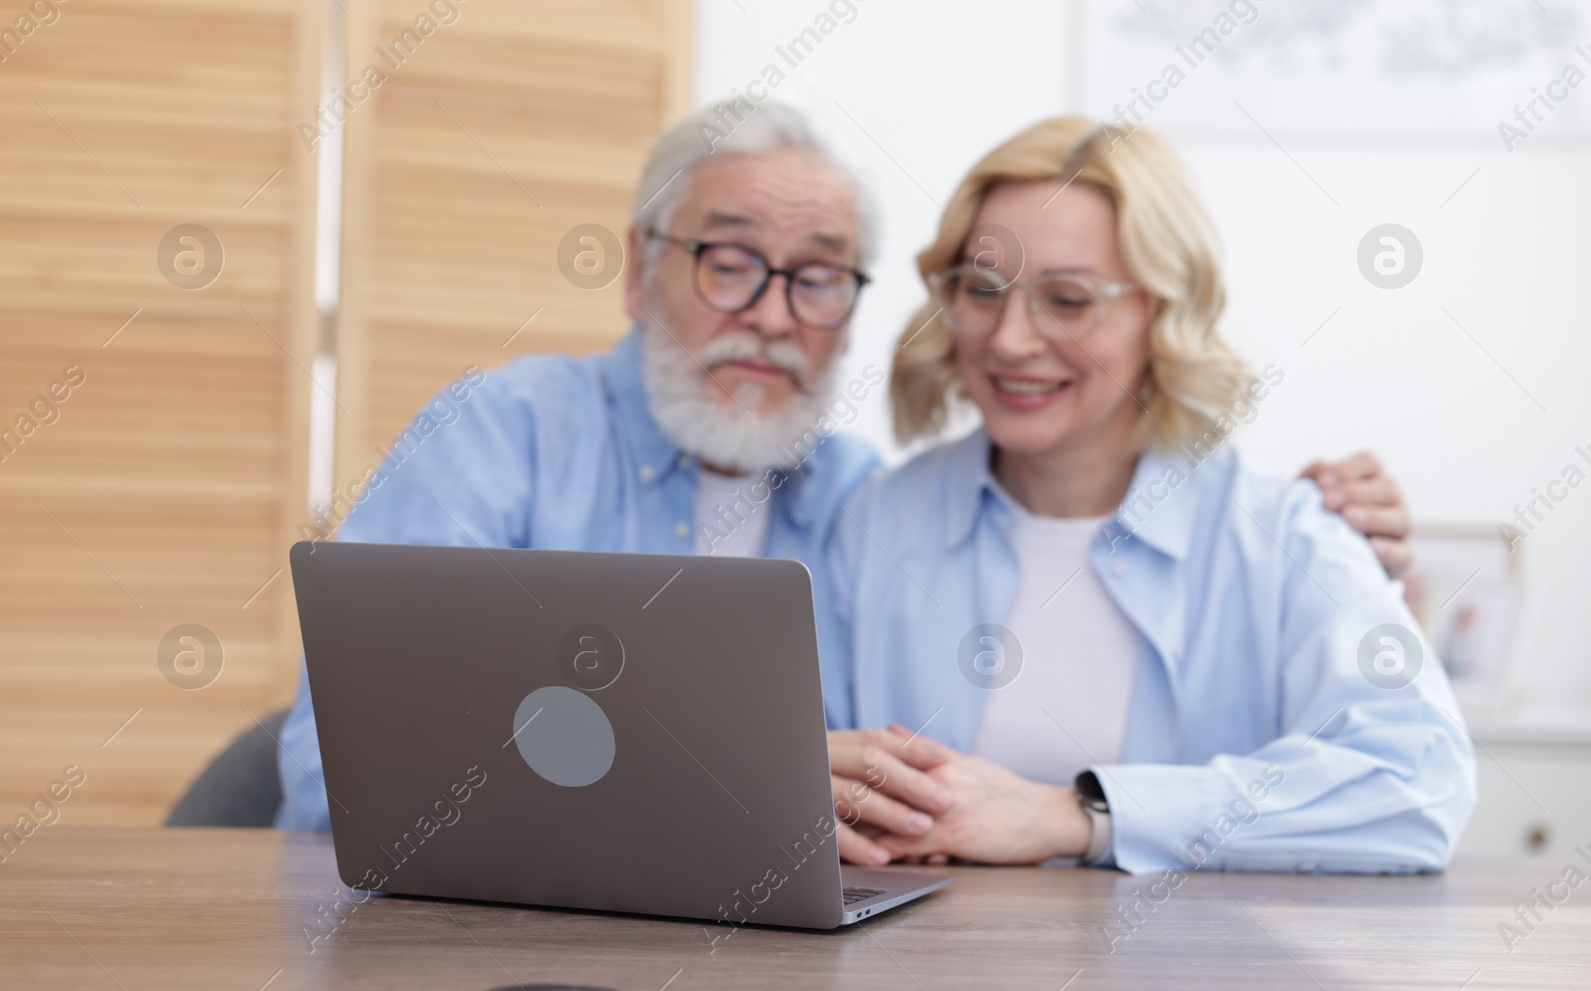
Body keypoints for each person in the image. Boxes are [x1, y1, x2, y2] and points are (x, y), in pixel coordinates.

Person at [274, 101, 1414, 831]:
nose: (771, 314)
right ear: (638, 271)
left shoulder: (860, 501)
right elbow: (344, 762)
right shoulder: (500, 434)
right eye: (728, 261)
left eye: (817, 275)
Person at [821, 118, 1475, 874]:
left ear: (1163, 314)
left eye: (1067, 300)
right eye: (981, 289)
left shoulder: (1285, 536)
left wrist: (1075, 814)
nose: (1009, 339)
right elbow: (802, 781)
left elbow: (1418, 785)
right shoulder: (875, 523)